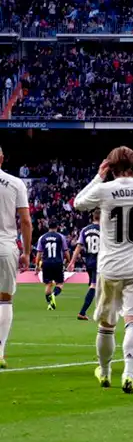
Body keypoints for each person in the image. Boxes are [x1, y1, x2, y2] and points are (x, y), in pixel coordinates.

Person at [73, 146, 133, 393]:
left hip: (110, 268)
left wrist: (98, 176)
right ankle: (128, 374)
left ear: (110, 167)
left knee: (106, 326)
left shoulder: (105, 189)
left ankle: (105, 372)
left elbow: (78, 203)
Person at [0, 146, 31, 369]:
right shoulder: (15, 183)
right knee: (5, 299)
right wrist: (27, 252)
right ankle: (0, 351)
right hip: (5, 246)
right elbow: (26, 221)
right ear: (2, 158)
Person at [67, 210, 101, 320]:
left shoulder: (85, 230)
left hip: (89, 261)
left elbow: (78, 246)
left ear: (93, 217)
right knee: (95, 286)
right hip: (100, 262)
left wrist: (72, 262)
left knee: (96, 286)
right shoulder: (104, 230)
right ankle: (82, 312)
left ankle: (99, 309)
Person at [35, 222, 69, 311]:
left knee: (48, 284)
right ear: (57, 227)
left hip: (46, 263)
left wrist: (37, 265)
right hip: (58, 262)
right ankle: (53, 295)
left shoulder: (42, 237)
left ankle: (50, 304)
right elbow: (65, 251)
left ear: (48, 227)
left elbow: (39, 253)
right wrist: (69, 261)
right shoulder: (61, 237)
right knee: (60, 283)